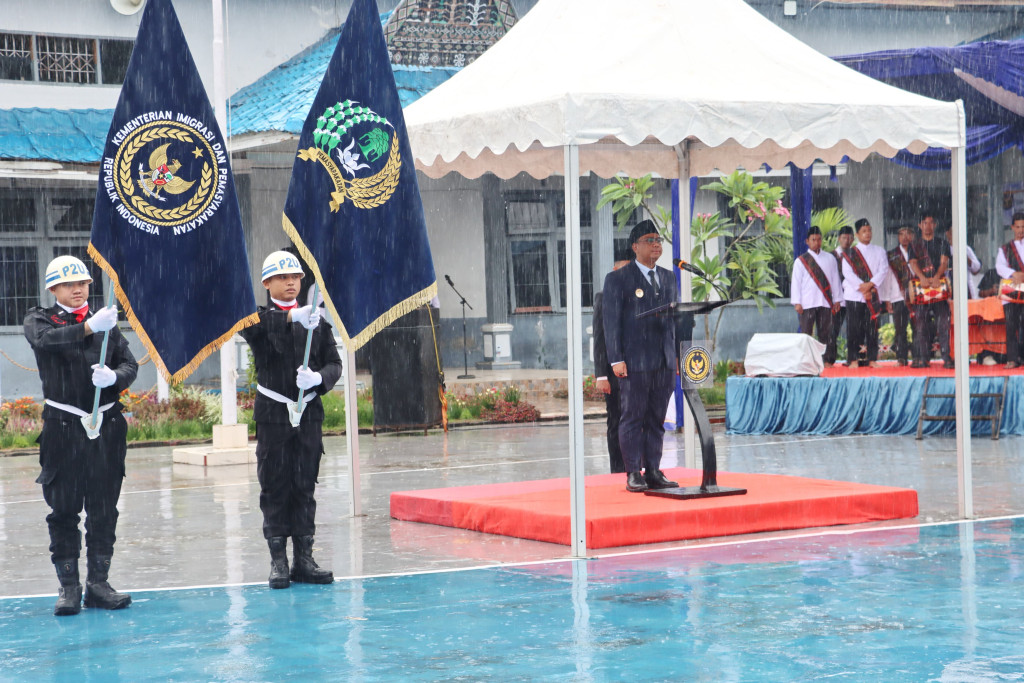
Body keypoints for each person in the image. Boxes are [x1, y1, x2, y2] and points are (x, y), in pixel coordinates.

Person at [24, 255, 137, 616]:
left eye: (84, 283)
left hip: (105, 427)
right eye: (70, 284)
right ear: (53, 288)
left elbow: (129, 364)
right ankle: (69, 586)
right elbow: (46, 341)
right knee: (64, 510)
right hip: (63, 428)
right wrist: (88, 328)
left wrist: (115, 378)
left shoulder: (107, 325)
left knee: (104, 510)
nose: (78, 289)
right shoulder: (39, 318)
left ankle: (99, 583)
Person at [240, 251, 342, 589]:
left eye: (295, 277)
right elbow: (251, 326)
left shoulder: (317, 322)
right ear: (267, 283)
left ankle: (304, 558)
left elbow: (334, 363)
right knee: (275, 486)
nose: (290, 283)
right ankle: (278, 560)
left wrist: (318, 379)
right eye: (282, 278)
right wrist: (291, 318)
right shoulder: (259, 318)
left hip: (309, 414)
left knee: (304, 485)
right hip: (274, 415)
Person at [602, 219, 679, 493]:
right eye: (649, 240)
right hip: (634, 362)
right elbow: (610, 323)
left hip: (664, 361)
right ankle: (633, 471)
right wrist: (615, 359)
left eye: (658, 240)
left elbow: (674, 321)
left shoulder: (668, 278)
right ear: (635, 246)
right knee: (633, 417)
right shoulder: (618, 279)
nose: (656, 244)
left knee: (656, 419)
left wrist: (678, 356)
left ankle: (654, 470)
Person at [592, 257, 631, 474]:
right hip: (612, 373)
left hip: (638, 371)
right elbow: (600, 338)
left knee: (636, 420)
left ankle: (637, 467)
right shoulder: (603, 297)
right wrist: (601, 376)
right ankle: (617, 469)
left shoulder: (641, 296)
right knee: (616, 419)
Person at [841, 218, 890, 367]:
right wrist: (863, 287)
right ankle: (853, 359)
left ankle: (873, 359)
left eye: (869, 230)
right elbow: (847, 273)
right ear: (857, 234)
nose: (867, 233)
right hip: (854, 296)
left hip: (873, 294)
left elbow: (883, 270)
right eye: (864, 231)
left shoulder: (880, 251)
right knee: (853, 328)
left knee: (872, 327)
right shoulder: (850, 253)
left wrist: (870, 285)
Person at [791, 225, 842, 366]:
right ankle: (806, 361)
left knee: (826, 333)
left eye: (819, 239)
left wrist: (837, 299)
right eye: (813, 240)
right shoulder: (800, 261)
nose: (817, 242)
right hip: (807, 303)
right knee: (806, 333)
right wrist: (797, 302)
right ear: (807, 241)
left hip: (825, 302)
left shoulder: (830, 258)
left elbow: (835, 280)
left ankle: (827, 360)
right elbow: (796, 283)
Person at [908, 211, 953, 369]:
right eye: (925, 223)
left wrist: (936, 277)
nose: (928, 226)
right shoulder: (914, 245)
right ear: (920, 225)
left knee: (943, 324)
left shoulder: (942, 243)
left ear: (935, 225)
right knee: (921, 325)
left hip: (938, 286)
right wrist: (921, 277)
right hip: (922, 288)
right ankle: (923, 358)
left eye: (931, 222)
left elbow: (944, 262)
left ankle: (947, 358)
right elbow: (913, 263)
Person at [995, 212, 1024, 368]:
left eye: (1023, 227)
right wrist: (1014, 274)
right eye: (1018, 226)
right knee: (1011, 325)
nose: (1020, 230)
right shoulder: (1005, 248)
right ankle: (1012, 358)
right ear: (1012, 227)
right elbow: (999, 267)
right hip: (1011, 292)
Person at [886, 227, 916, 366]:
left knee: (918, 327)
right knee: (900, 329)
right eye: (901, 234)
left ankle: (918, 356)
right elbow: (888, 278)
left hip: (916, 296)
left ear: (912, 236)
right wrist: (888, 298)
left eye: (908, 233)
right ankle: (901, 357)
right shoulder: (892, 255)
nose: (905, 237)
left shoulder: (918, 252)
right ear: (898, 237)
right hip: (898, 296)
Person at [831, 225, 855, 364]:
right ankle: (829, 359)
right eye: (844, 237)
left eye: (850, 238)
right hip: (837, 300)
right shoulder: (831, 256)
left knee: (853, 329)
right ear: (839, 238)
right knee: (833, 330)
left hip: (853, 298)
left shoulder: (856, 256)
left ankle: (852, 359)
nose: (847, 240)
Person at [945, 228, 983, 299]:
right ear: (947, 233)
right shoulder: (943, 249)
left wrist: (965, 256)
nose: (955, 234)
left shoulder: (966, 248)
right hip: (948, 287)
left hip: (965, 288)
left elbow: (976, 268)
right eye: (952, 232)